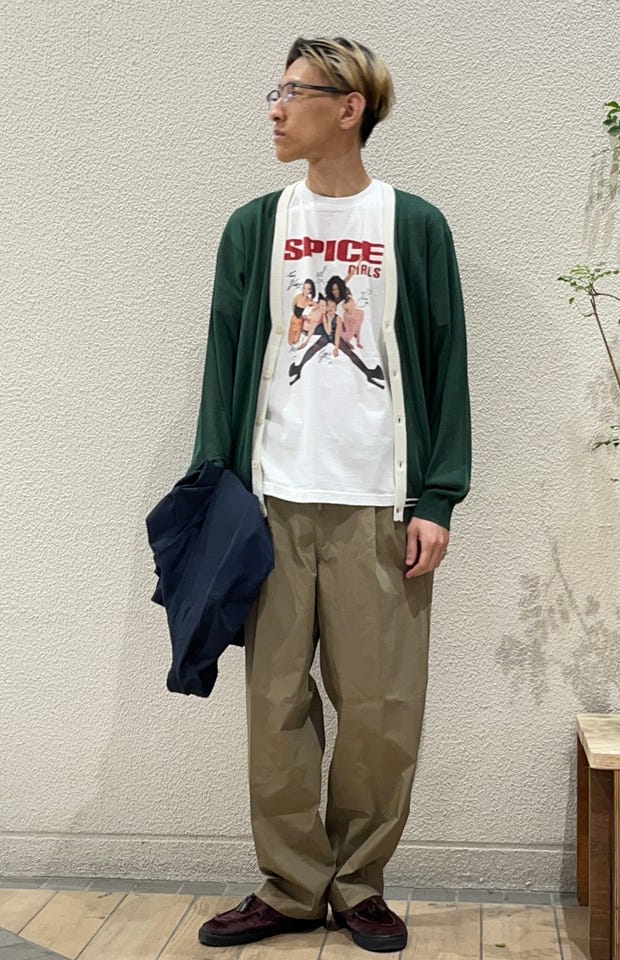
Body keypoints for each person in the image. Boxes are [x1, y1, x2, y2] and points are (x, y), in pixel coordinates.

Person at [192, 35, 471, 954]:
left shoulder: (413, 225)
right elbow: (226, 364)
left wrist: (438, 497)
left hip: (379, 507)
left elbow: (446, 363)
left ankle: (359, 886)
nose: (275, 108)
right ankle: (290, 887)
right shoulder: (254, 226)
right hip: (270, 502)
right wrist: (213, 490)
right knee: (274, 708)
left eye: (293, 91)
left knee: (381, 712)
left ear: (349, 107)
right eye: (273, 91)